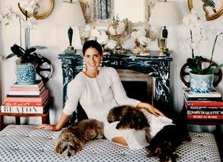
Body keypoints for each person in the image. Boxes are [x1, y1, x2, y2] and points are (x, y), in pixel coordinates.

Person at [39, 40, 173, 149]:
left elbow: (122, 99)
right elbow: (69, 108)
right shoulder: (77, 83)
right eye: (88, 56)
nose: (92, 60)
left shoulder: (110, 72)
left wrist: (144, 105)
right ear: (83, 57)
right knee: (132, 137)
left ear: (101, 56)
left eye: (95, 55)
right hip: (107, 124)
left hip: (126, 114)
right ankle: (156, 144)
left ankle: (161, 139)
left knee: (162, 124)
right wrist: (57, 126)